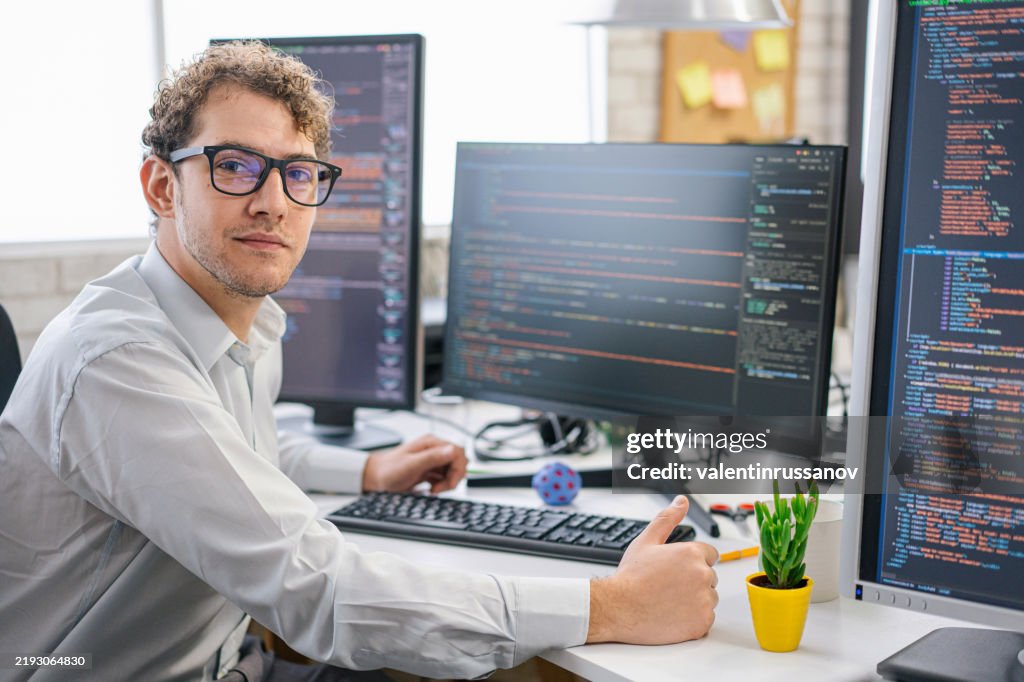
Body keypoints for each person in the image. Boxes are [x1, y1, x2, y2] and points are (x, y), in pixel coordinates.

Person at [0, 42, 718, 682]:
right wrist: (611, 605)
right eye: (237, 167)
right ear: (162, 186)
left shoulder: (232, 325)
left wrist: (367, 471)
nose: (273, 202)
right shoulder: (118, 360)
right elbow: (320, 590)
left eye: (300, 174)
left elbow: (233, 455)